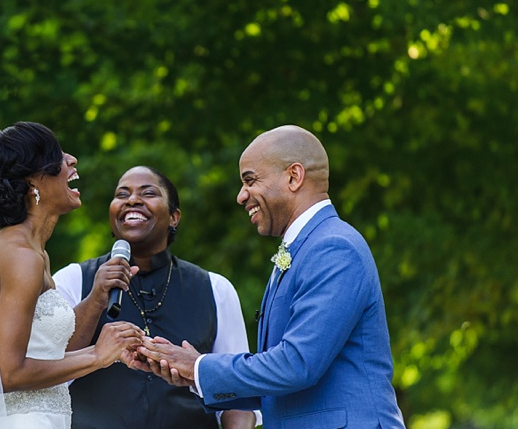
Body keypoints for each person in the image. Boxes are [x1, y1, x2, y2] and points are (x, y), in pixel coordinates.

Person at [138, 125, 405, 428]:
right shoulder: (303, 248)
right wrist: (192, 376)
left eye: (250, 180)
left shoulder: (334, 247)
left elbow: (296, 364)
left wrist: (199, 366)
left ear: (294, 177)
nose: (241, 196)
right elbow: (279, 384)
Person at [0, 122, 144, 429]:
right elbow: (8, 373)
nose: (71, 160)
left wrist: (97, 297)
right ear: (33, 181)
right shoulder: (21, 256)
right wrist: (98, 356)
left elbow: (51, 356)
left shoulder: (35, 254)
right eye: (57, 156)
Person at [53, 165, 259, 428]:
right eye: (122, 194)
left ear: (174, 217)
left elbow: (236, 395)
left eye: (148, 193)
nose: (132, 200)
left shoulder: (216, 289)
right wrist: (95, 298)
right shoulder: (73, 279)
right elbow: (49, 371)